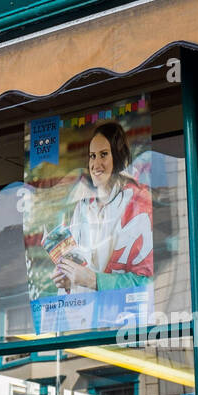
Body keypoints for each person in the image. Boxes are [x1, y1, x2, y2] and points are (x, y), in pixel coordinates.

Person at [54, 121, 153, 294]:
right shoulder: (82, 207)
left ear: (118, 157)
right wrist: (66, 279)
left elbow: (147, 281)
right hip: (83, 308)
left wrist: (95, 280)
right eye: (92, 156)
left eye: (104, 154)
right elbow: (78, 266)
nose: (96, 164)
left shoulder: (137, 204)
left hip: (120, 310)